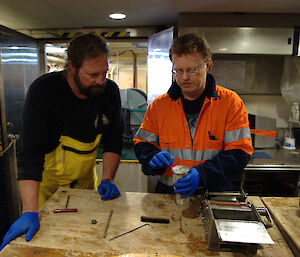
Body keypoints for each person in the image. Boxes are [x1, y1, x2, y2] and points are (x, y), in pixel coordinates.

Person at [0, 34, 123, 251]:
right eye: (92, 74)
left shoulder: (109, 92)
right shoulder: (44, 92)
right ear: (72, 67)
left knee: (86, 243)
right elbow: (30, 153)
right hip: (47, 189)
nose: (101, 80)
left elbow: (113, 141)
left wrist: (108, 178)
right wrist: (29, 210)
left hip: (86, 187)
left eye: (104, 72)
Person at [134, 33, 253, 196]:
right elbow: (143, 144)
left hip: (214, 194)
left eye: (192, 70)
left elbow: (239, 153)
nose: (184, 78)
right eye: (179, 70)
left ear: (208, 65)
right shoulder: (159, 106)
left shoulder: (230, 102)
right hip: (169, 193)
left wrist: (202, 174)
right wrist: (151, 157)